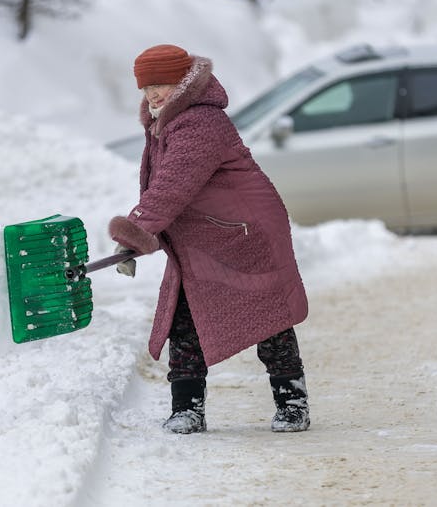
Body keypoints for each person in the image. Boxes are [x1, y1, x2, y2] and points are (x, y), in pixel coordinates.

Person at [108, 44, 311, 434]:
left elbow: (171, 186)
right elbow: (165, 188)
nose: (153, 94)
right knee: (184, 319)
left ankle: (292, 403)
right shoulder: (166, 120)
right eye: (146, 87)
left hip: (246, 232)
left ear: (183, 82)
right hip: (206, 235)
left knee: (269, 317)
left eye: (161, 84)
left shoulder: (200, 122)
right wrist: (142, 230)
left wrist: (136, 230)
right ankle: (187, 408)